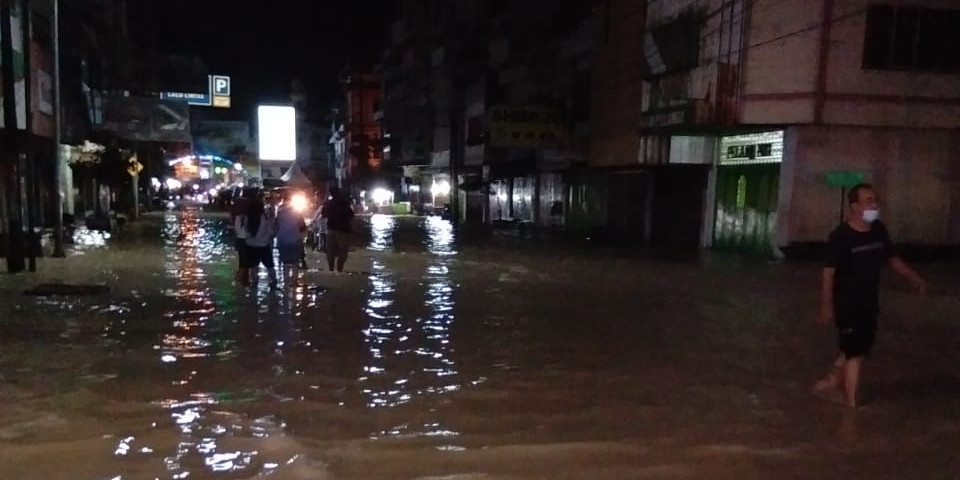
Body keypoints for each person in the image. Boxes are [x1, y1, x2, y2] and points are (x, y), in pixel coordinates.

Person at [814, 183, 925, 408]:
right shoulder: (840, 237)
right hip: (847, 303)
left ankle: (832, 379)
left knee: (862, 347)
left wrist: (913, 277)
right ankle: (851, 403)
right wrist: (826, 306)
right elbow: (828, 274)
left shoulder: (878, 230)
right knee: (855, 352)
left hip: (869, 301)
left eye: (875, 200)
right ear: (854, 207)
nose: (874, 204)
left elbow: (892, 258)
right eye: (868, 201)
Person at [243, 193, 278, 289]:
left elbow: (245, 231)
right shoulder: (264, 216)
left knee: (253, 266)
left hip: (251, 245)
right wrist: (270, 237)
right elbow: (270, 230)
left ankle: (254, 283)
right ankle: (274, 283)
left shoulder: (247, 217)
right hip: (263, 244)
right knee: (270, 265)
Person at [276, 190, 308, 287]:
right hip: (295, 239)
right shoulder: (297, 212)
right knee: (295, 262)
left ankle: (285, 283)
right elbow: (303, 226)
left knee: (285, 263)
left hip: (282, 240)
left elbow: (276, 225)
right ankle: (294, 282)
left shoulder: (279, 211)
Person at [321, 186, 354, 273]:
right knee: (342, 252)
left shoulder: (328, 204)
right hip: (343, 230)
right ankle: (340, 270)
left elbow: (323, 215)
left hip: (331, 229)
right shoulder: (344, 203)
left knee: (330, 251)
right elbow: (351, 215)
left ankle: (331, 269)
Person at [230, 190, 253, 286]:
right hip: (246, 242)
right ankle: (240, 280)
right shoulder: (245, 218)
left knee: (242, 262)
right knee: (245, 264)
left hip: (239, 241)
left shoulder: (236, 217)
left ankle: (242, 281)